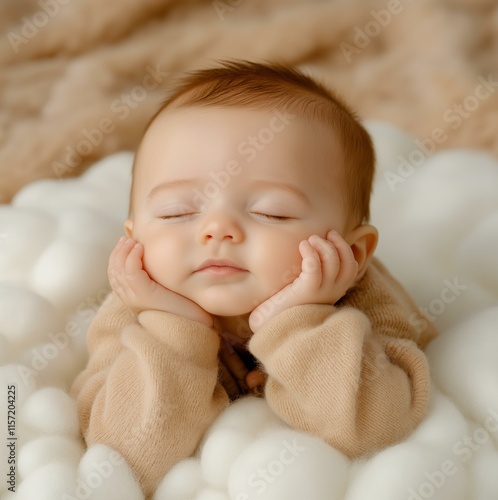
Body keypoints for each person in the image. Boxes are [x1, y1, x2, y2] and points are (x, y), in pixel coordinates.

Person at [71, 60, 437, 497]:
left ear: (353, 253)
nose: (216, 229)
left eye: (271, 211)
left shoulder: (366, 298)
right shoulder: (135, 305)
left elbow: (374, 428)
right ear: (133, 238)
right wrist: (173, 329)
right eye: (177, 212)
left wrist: (302, 318)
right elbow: (125, 456)